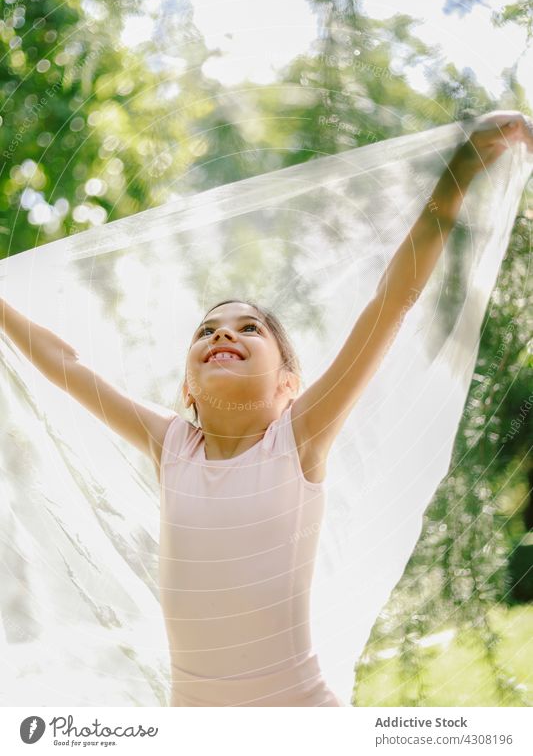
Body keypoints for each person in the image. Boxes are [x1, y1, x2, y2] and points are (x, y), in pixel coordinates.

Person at [1, 112, 532, 706]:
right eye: (206, 330)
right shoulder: (172, 446)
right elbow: (67, 364)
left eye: (249, 327)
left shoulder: (298, 440)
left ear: (288, 385)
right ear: (188, 390)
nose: (221, 334)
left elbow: (391, 301)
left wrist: (458, 172)